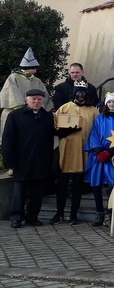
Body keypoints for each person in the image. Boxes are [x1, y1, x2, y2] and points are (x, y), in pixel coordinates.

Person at [4, 89, 55, 228]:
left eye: (39, 99)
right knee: (19, 192)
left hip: (41, 161)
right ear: (26, 100)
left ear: (43, 101)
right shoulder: (15, 115)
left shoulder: (47, 117)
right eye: (33, 99)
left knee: (37, 193)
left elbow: (53, 135)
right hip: (22, 161)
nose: (36, 101)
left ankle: (32, 217)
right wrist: (10, 163)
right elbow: (8, 140)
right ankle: (16, 218)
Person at [50, 81, 99, 225]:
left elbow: (98, 131)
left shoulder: (93, 111)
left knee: (78, 185)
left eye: (83, 92)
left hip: (84, 153)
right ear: (74, 93)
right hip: (67, 152)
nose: (80, 95)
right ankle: (59, 213)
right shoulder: (64, 108)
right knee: (62, 185)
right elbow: (55, 129)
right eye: (78, 92)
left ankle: (73, 214)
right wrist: (66, 131)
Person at [84, 93, 114, 227]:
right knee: (96, 183)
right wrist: (98, 149)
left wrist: (110, 151)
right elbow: (94, 133)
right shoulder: (100, 118)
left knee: (113, 184)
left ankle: (109, 213)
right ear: (106, 104)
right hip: (99, 155)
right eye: (109, 102)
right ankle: (99, 212)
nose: (112, 104)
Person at [0, 48, 53, 145]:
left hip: (34, 114)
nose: (36, 69)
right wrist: (21, 108)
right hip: (14, 113)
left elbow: (44, 97)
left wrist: (48, 110)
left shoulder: (37, 81)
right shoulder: (13, 77)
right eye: (35, 67)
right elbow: (11, 93)